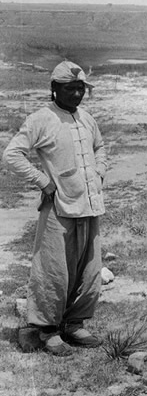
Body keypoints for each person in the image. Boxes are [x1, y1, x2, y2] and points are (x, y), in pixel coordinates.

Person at [2, 61, 108, 356]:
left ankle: (74, 323)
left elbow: (100, 147)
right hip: (59, 209)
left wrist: (99, 173)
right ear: (54, 89)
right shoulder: (40, 119)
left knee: (89, 269)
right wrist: (42, 181)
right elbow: (12, 154)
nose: (77, 94)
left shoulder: (87, 118)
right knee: (53, 271)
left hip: (89, 205)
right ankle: (47, 330)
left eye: (81, 89)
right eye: (70, 89)